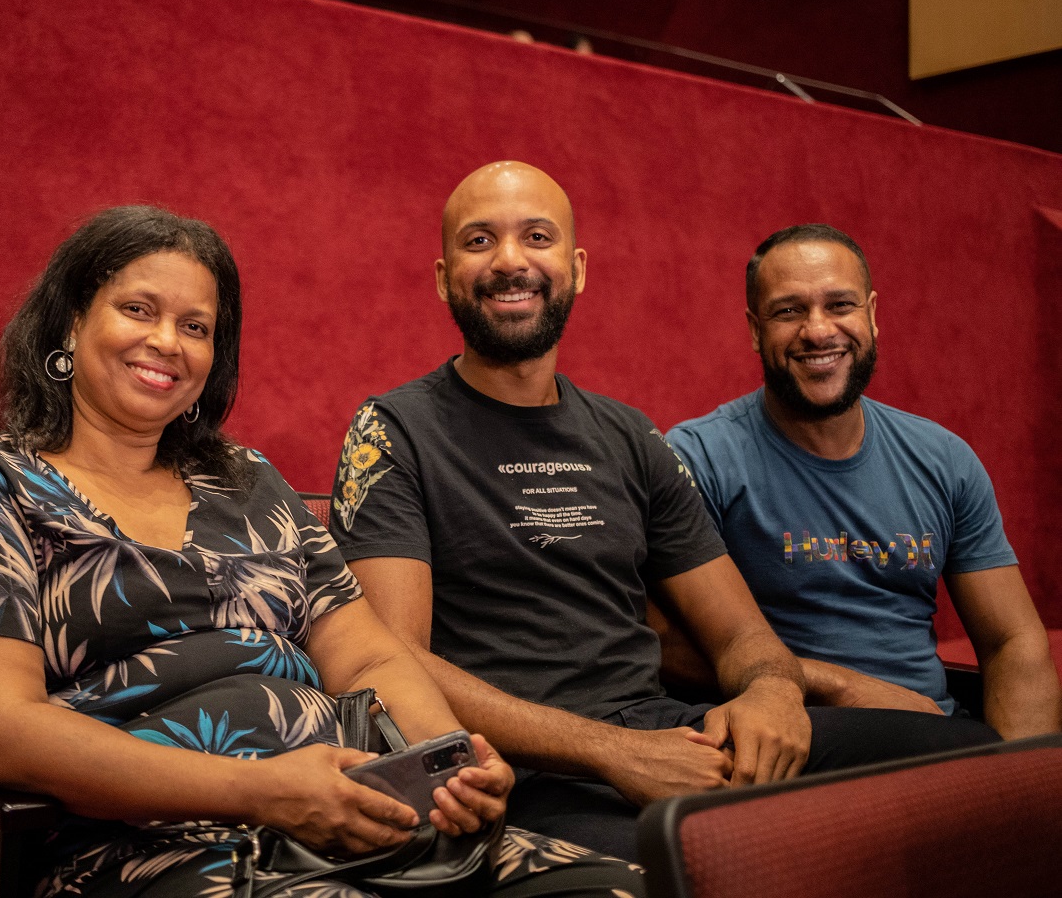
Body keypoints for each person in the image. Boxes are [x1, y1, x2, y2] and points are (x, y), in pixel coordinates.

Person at [0, 206, 645, 897]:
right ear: (71, 324)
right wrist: (260, 792)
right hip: (141, 846)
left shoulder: (250, 481)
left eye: (197, 326)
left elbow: (371, 662)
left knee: (621, 885)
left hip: (357, 814)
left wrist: (449, 767)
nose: (167, 342)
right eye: (138, 309)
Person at [329, 162, 1001, 861]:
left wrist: (771, 695)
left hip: (675, 734)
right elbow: (394, 660)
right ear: (443, 277)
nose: (510, 260)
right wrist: (613, 751)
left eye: (536, 236)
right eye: (478, 241)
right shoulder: (392, 430)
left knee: (980, 765)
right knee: (731, 867)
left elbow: (741, 634)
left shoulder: (630, 436)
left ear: (577, 267)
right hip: (525, 772)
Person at [665, 223, 1061, 740]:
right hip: (796, 732)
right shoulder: (697, 457)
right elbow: (660, 642)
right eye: (788, 310)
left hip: (935, 735)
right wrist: (842, 688)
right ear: (755, 329)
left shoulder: (944, 459)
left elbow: (1012, 641)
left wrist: (1017, 787)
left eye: (840, 305)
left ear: (872, 315)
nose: (818, 330)